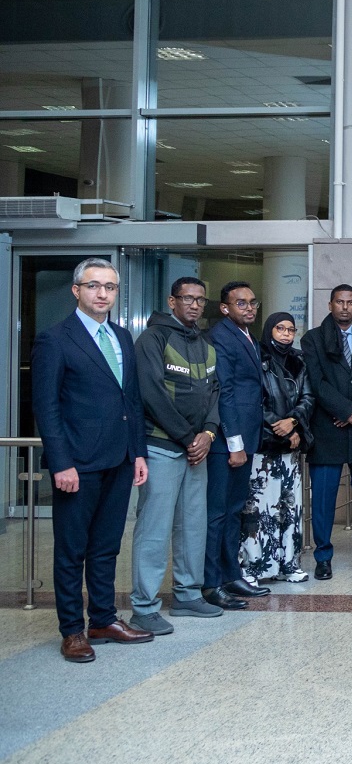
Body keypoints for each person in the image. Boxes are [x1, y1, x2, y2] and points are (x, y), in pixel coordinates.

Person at [31, 257, 153, 662]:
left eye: (110, 287)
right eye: (93, 286)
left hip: (120, 459)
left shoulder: (122, 337)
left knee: (106, 546)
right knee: (71, 551)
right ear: (76, 290)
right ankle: (72, 630)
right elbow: (47, 407)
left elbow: (131, 400)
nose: (102, 294)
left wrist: (138, 453)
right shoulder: (55, 339)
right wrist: (60, 462)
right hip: (77, 464)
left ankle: (103, 619)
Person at [129, 276, 222, 635]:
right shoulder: (153, 339)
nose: (195, 305)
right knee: (154, 530)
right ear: (172, 301)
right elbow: (151, 393)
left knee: (193, 526)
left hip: (197, 451)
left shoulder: (204, 341)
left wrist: (208, 433)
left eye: (200, 299)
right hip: (162, 448)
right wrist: (187, 438)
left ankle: (187, 594)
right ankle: (143, 607)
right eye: (187, 298)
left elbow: (215, 391)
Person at [302, 285, 352, 579]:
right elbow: (316, 382)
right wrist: (344, 410)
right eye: (340, 302)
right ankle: (323, 556)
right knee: (323, 499)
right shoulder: (312, 339)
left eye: (350, 302)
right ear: (330, 305)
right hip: (327, 428)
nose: (345, 307)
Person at [203, 281, 270, 607]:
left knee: (233, 511)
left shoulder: (247, 336)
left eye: (252, 302)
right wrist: (234, 443)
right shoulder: (220, 337)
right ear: (224, 308)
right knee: (217, 514)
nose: (249, 308)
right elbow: (224, 392)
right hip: (228, 443)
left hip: (246, 438)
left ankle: (231, 575)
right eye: (241, 303)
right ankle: (211, 583)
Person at [241, 311, 314, 584]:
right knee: (259, 509)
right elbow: (254, 401)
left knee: (289, 508)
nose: (286, 334)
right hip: (264, 448)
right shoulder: (256, 357)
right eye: (280, 328)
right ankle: (253, 568)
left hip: (290, 450)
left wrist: (293, 422)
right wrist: (281, 427)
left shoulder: (299, 360)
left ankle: (288, 565)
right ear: (269, 330)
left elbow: (308, 397)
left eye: (290, 330)